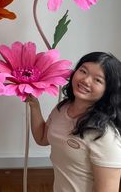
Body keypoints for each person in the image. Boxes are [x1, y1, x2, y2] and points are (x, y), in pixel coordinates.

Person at [27, 52, 121, 192]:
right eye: (83, 71)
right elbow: (42, 138)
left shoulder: (105, 135)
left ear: (108, 90)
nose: (86, 80)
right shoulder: (62, 108)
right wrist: (34, 105)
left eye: (98, 80)